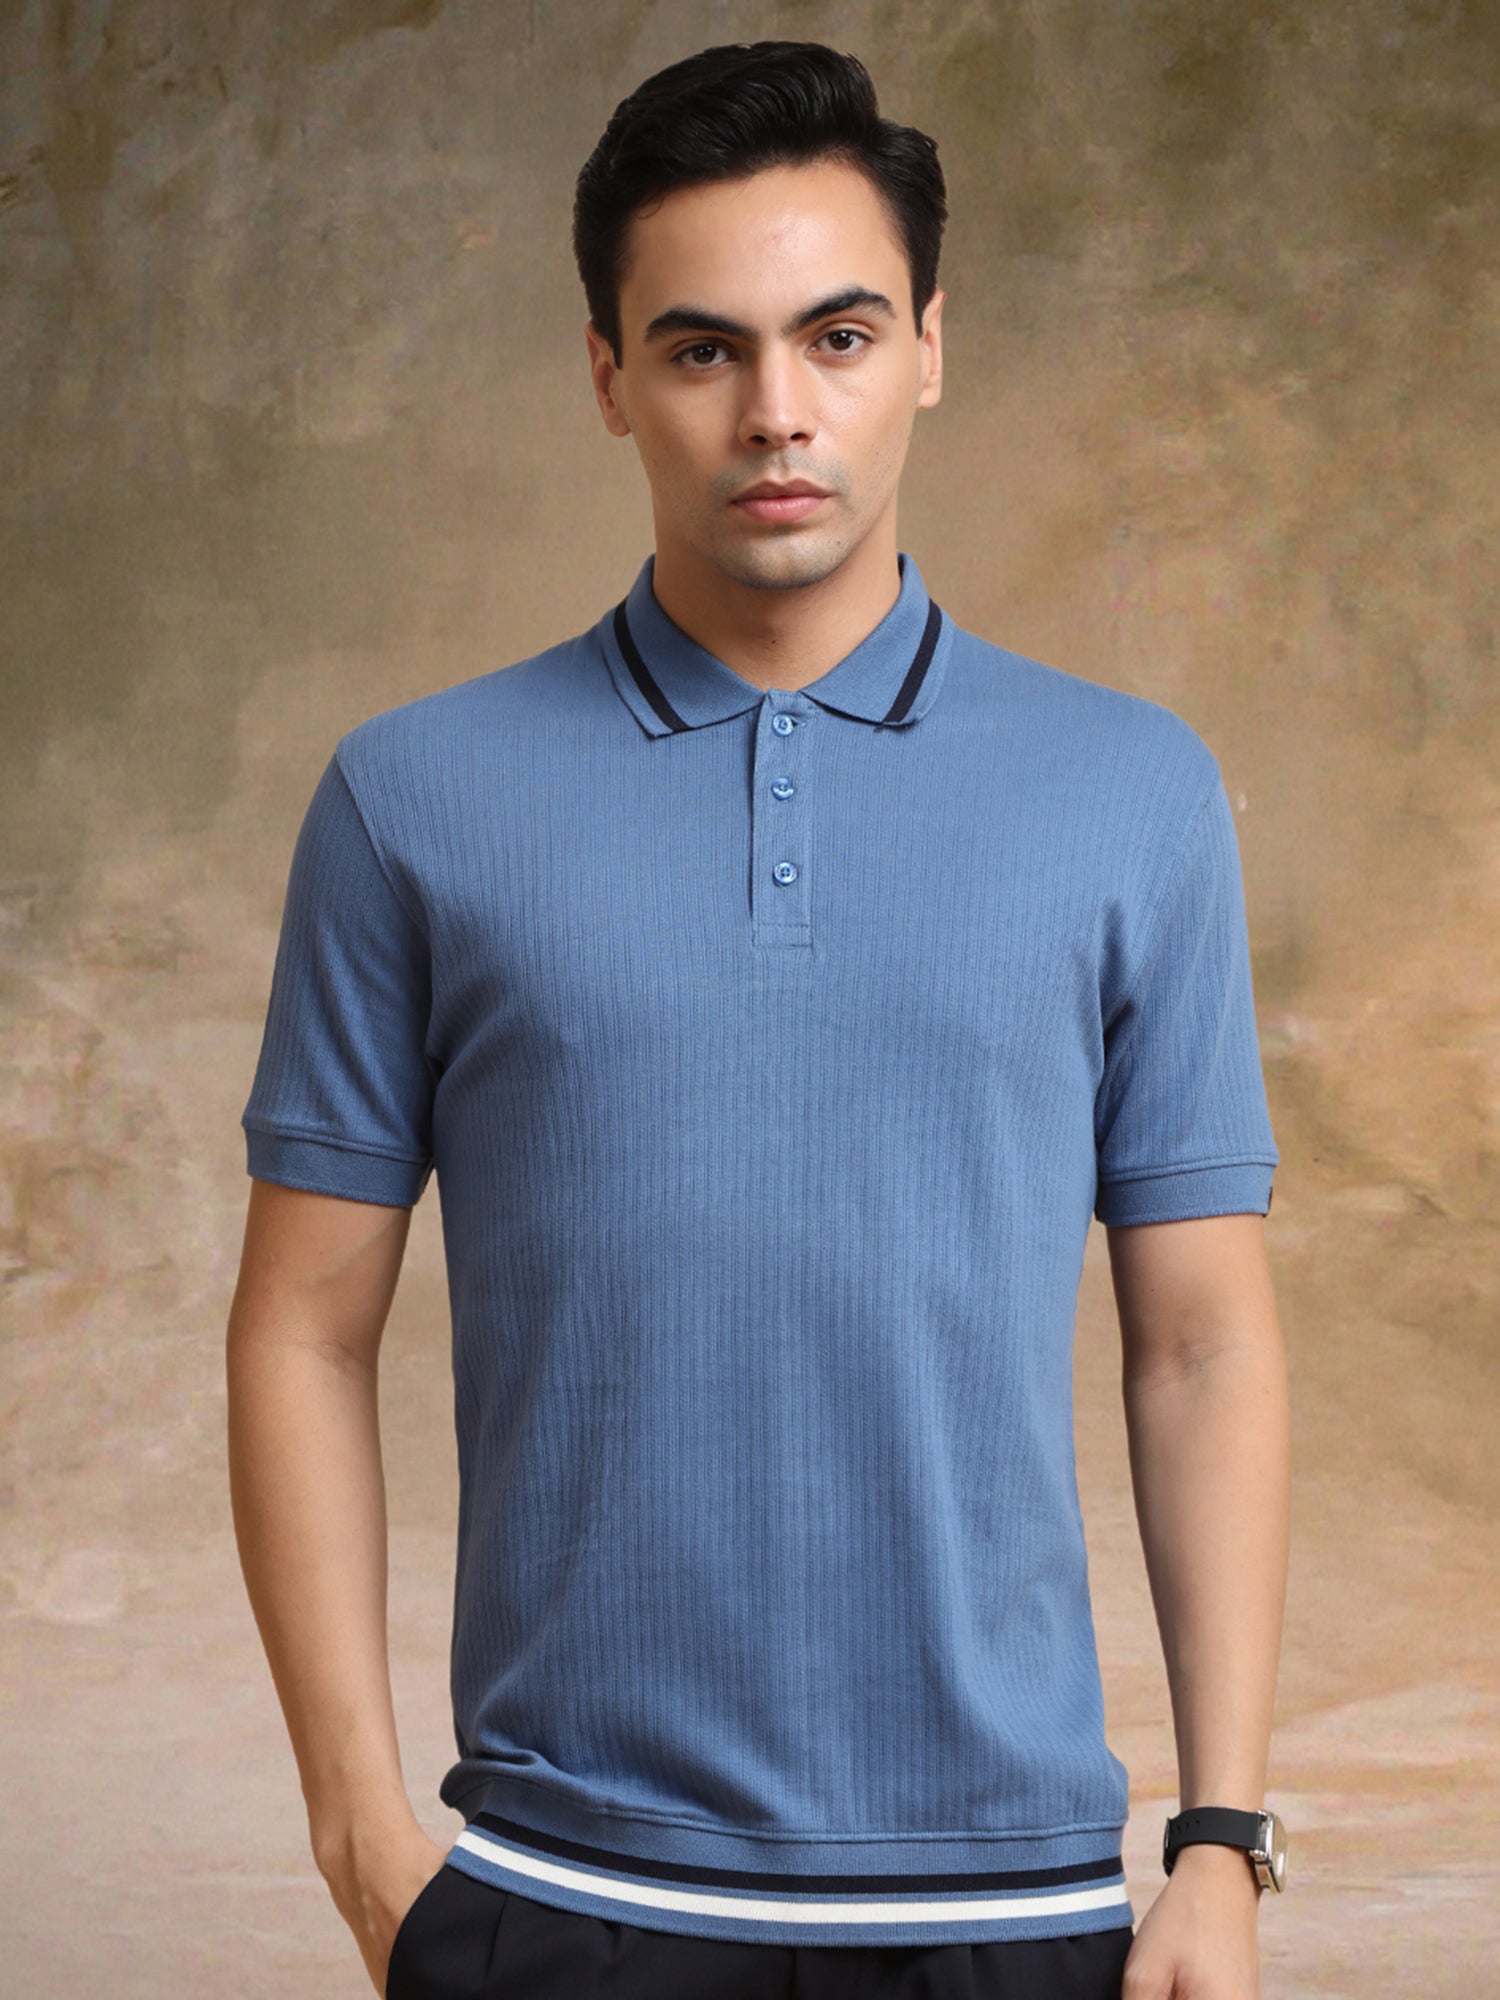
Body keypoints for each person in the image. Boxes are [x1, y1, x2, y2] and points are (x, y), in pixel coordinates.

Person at [227, 38, 1291, 2000]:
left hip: (1011, 1903)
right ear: (608, 375)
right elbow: (299, 1327)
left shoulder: (1131, 792)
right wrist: (365, 1840)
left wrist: (1221, 1847)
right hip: (560, 1890)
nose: (777, 411)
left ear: (930, 350)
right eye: (703, 348)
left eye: (840, 335)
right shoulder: (413, 797)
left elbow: (1203, 1340)